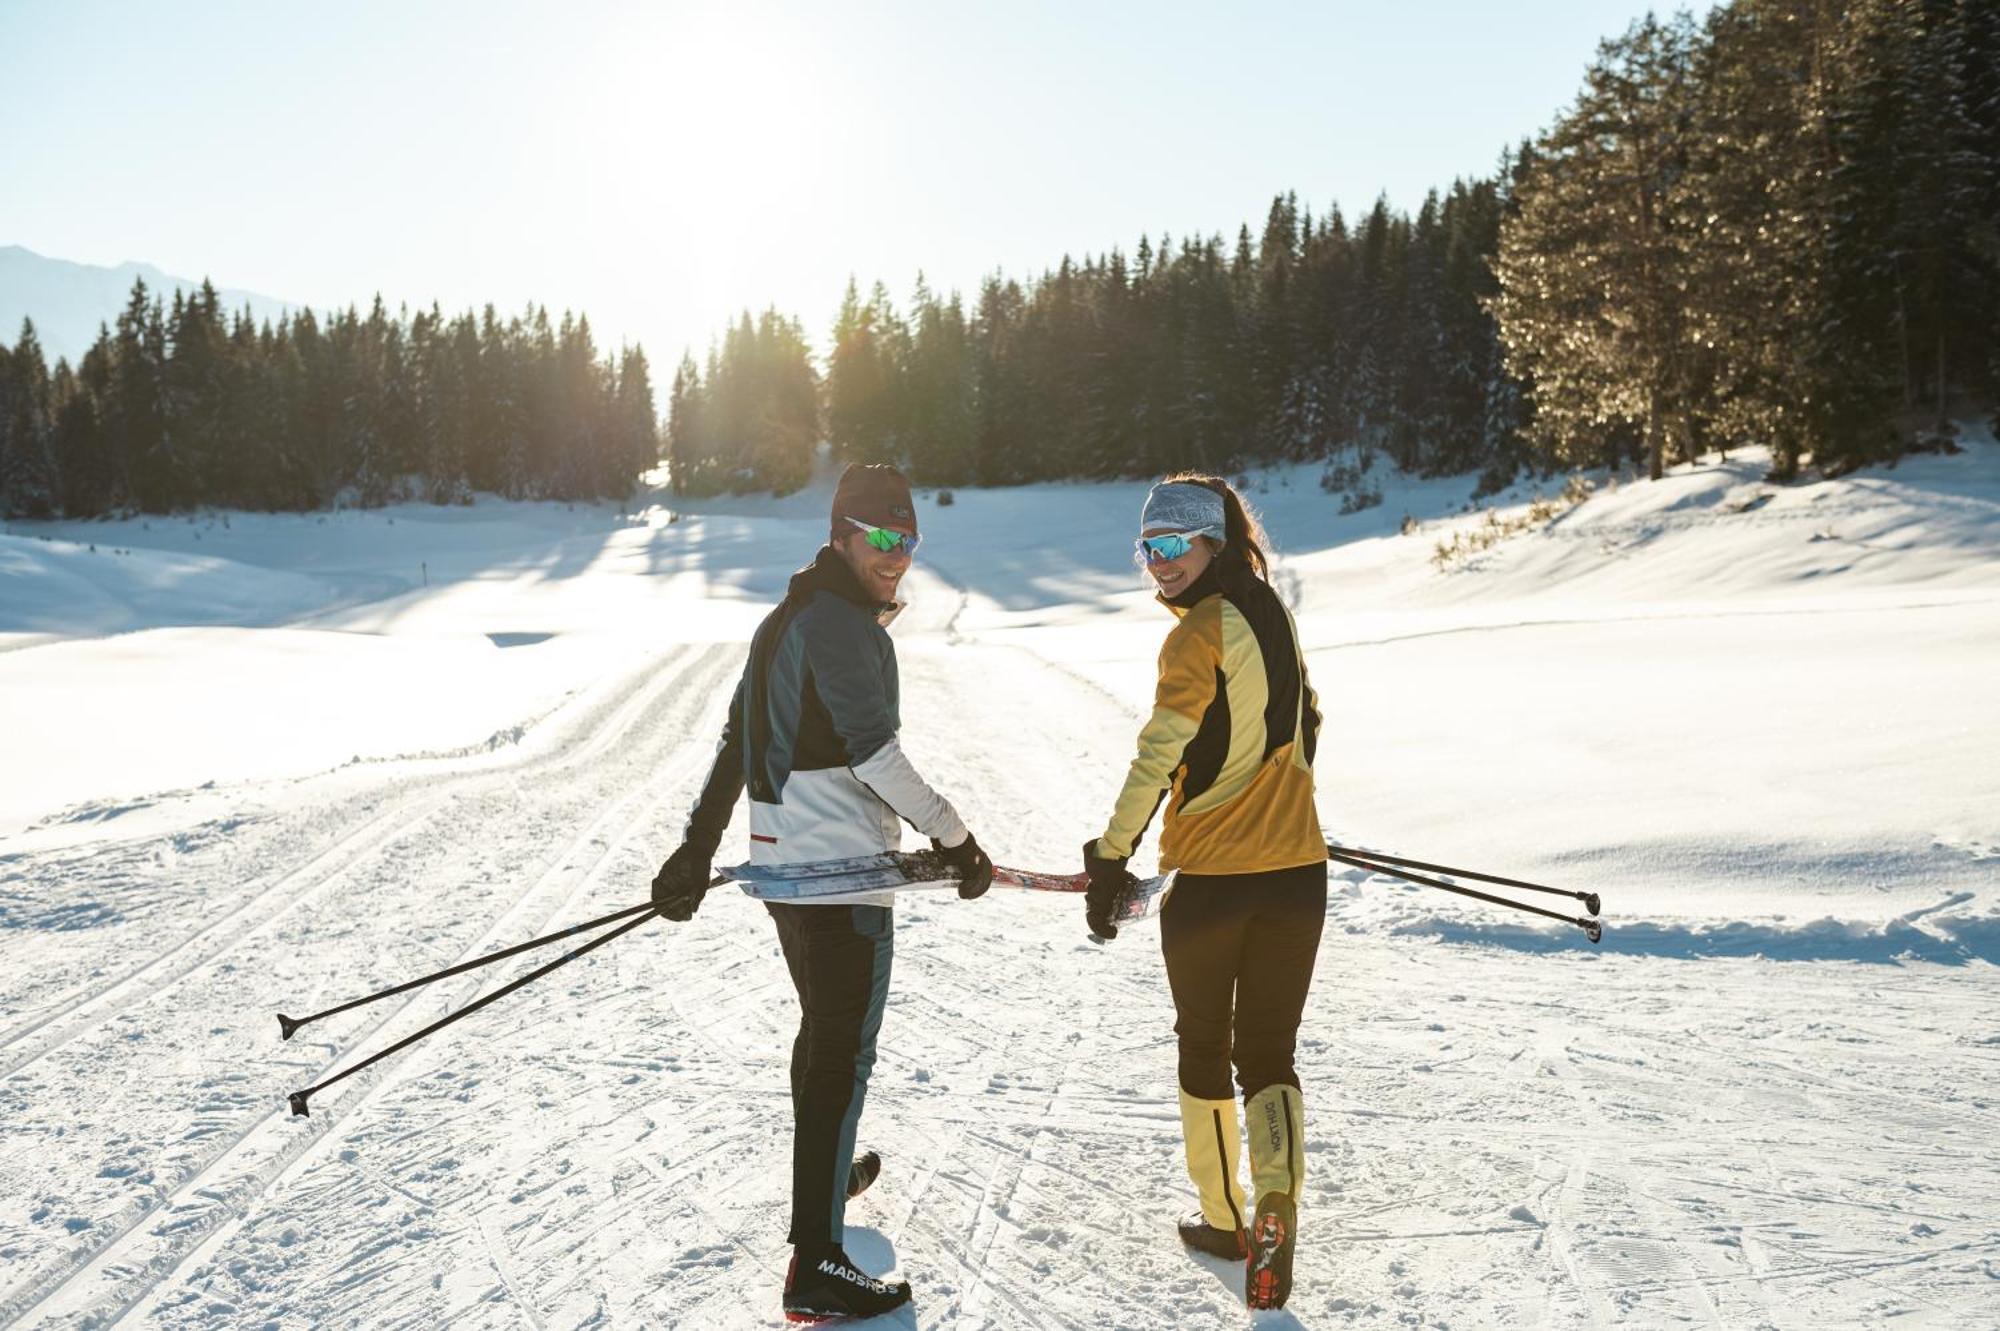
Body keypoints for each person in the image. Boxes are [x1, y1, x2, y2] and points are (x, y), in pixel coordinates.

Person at [651, 462, 994, 1324]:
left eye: (907, 540)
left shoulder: (787, 615)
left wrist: (698, 851)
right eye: (880, 537)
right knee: (845, 1049)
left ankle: (825, 1178)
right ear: (843, 533)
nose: (895, 555)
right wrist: (956, 837)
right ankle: (818, 1262)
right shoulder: (839, 621)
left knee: (824, 1034)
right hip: (841, 874)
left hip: (786, 872)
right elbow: (874, 755)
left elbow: (737, 743)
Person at [1081, 473, 1326, 1311]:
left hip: (1214, 886)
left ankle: (1227, 1219)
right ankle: (1279, 1200)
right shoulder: (1273, 612)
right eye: (1147, 548)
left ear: (1215, 542)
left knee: (1203, 1045)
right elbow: (1309, 720)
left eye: (1176, 545)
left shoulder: (1197, 635)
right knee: (1270, 1053)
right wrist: (1282, 794)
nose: (1160, 565)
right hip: (1299, 876)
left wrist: (1111, 858)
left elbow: (1161, 751)